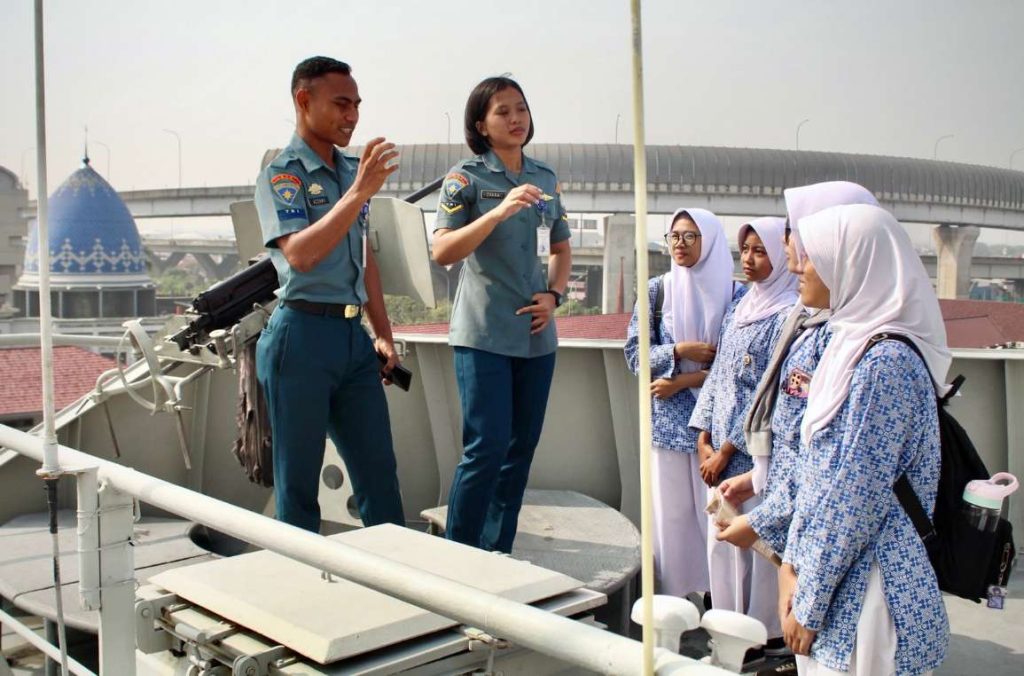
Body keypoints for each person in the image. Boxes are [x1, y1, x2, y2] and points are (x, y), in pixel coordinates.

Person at [771, 203, 950, 674]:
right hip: (834, 581)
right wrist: (791, 565)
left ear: (850, 265)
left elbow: (856, 498)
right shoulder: (848, 346)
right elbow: (818, 476)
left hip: (868, 595)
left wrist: (809, 603)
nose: (800, 266)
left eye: (814, 256)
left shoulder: (885, 364)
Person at [254, 56, 405, 533]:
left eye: (357, 105)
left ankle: (395, 573)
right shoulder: (283, 174)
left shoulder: (349, 172)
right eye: (341, 104)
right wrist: (358, 193)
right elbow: (300, 254)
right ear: (304, 100)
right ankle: (298, 578)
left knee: (380, 477)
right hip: (300, 338)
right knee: (298, 488)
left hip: (352, 339)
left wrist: (383, 334)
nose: (352, 115)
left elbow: (365, 257)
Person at [432, 76, 572, 553]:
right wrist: (497, 212)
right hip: (483, 334)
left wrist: (554, 296)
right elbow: (443, 251)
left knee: (519, 452)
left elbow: (561, 247)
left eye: (521, 109)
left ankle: (497, 551)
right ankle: (460, 553)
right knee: (486, 449)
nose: (516, 119)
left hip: (536, 335)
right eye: (502, 112)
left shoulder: (545, 177)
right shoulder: (465, 178)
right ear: (481, 125)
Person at [689, 216, 797, 663]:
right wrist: (703, 438)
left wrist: (728, 449)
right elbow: (718, 377)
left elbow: (765, 391)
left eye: (760, 251)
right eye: (745, 250)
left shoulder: (787, 314)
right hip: (717, 453)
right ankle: (725, 628)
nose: (749, 259)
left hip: (752, 456)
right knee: (721, 541)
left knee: (756, 546)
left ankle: (761, 635)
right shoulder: (742, 306)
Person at [624, 208, 736, 599]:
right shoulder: (657, 291)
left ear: (710, 241)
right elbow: (635, 356)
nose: (680, 244)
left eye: (690, 236)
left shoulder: (736, 296)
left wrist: (686, 380)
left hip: (716, 435)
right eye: (674, 236)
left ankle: (720, 602)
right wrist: (679, 351)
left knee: (718, 522)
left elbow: (739, 369)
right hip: (669, 428)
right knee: (670, 523)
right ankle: (673, 604)